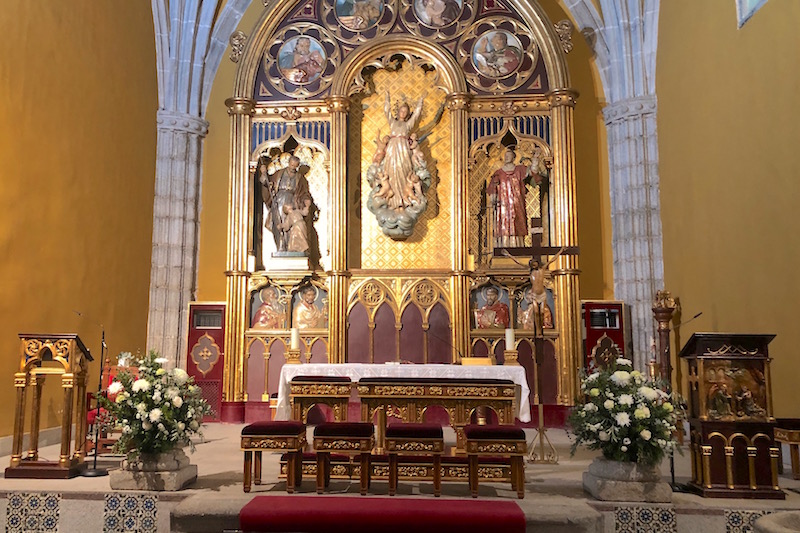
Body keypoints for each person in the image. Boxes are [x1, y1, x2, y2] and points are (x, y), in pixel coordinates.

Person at [487, 147, 546, 248]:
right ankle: (503, 247)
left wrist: (535, 160)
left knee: (518, 223)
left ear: (514, 157)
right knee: (503, 225)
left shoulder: (520, 170)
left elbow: (533, 173)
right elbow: (492, 188)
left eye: (509, 155)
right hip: (503, 206)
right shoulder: (498, 173)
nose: (506, 157)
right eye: (505, 156)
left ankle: (518, 248)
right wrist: (493, 197)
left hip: (517, 204)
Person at [381, 90, 426, 210]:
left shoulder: (408, 125)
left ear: (407, 114)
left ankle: (403, 201)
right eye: (401, 111)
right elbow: (387, 112)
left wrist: (420, 102)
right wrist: (387, 99)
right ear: (398, 112)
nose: (403, 113)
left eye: (405, 112)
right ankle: (393, 201)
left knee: (404, 171)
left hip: (404, 149)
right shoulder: (393, 123)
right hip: (392, 149)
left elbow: (416, 115)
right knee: (392, 171)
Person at [260, 155, 313, 252]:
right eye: (291, 165)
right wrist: (264, 174)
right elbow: (267, 183)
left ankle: (290, 248)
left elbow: (305, 193)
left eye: (295, 166)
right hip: (279, 201)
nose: (293, 168)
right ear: (288, 163)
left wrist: (306, 204)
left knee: (290, 225)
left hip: (292, 202)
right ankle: (280, 248)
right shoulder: (279, 173)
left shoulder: (300, 178)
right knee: (278, 223)